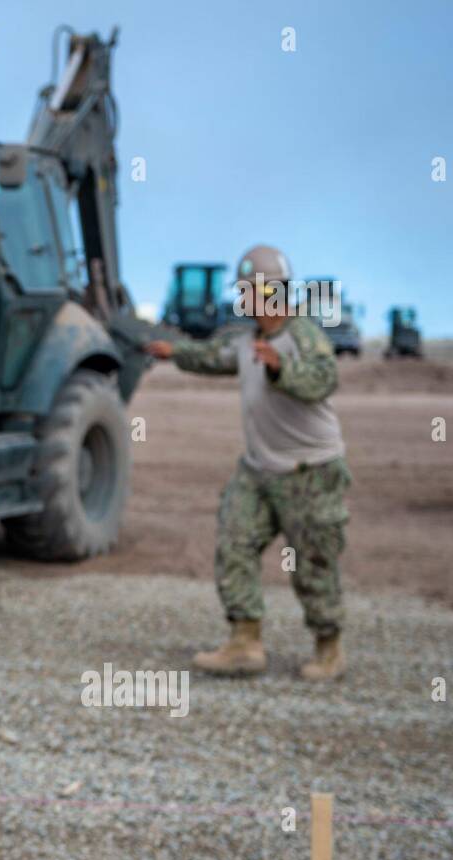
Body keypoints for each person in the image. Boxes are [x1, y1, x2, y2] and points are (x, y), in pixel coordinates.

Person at [144, 245, 350, 682]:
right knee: (234, 542)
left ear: (275, 290)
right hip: (258, 470)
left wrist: (280, 370)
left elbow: (322, 379)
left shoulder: (303, 335)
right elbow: (211, 357)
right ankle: (244, 642)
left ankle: (329, 648)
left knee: (313, 563)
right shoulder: (245, 338)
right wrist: (172, 351)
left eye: (251, 290)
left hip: (310, 470)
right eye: (243, 291)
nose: (245, 299)